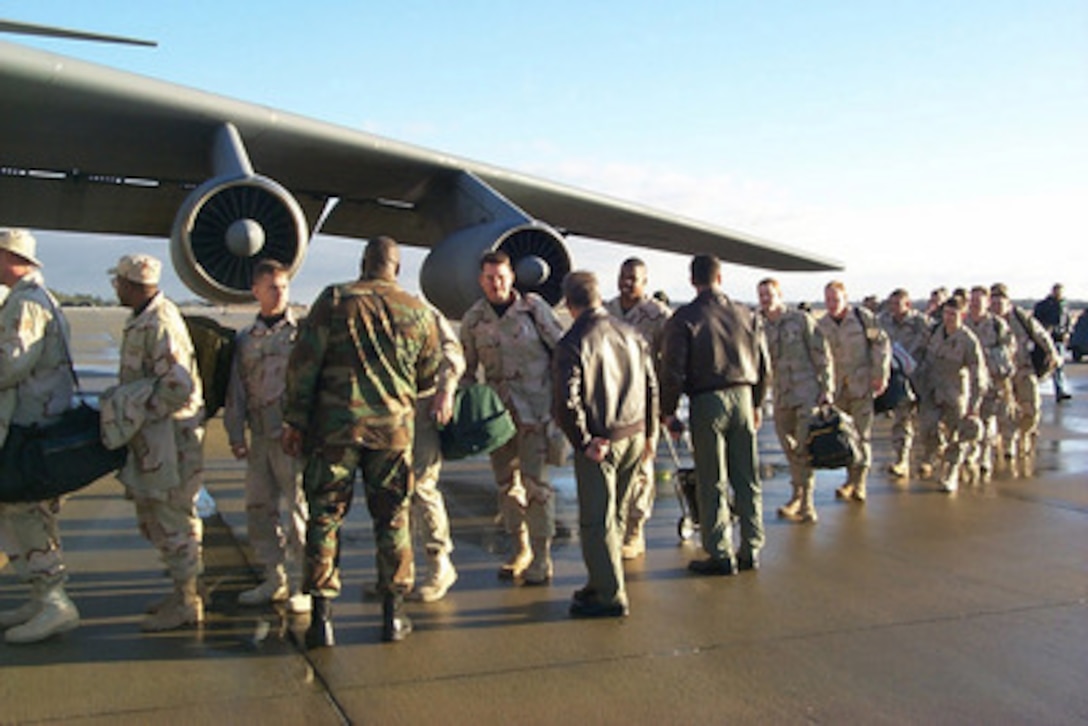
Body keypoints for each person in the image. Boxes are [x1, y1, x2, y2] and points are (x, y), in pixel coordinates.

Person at [282, 236, 440, 646]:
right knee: (392, 519)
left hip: (335, 431)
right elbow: (427, 376)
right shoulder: (419, 311)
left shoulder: (334, 299)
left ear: (363, 263)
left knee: (325, 517)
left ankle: (322, 619)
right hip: (392, 433)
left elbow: (303, 366)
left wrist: (294, 420)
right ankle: (393, 615)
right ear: (397, 269)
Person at [103, 253, 205, 631]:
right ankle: (185, 590)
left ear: (131, 284)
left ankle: (187, 601)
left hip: (170, 445)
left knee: (172, 519)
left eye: (119, 282)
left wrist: (134, 410)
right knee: (158, 520)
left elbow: (179, 387)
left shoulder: (160, 323)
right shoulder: (143, 319)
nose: (116, 287)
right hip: (156, 442)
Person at [553, 271, 657, 617]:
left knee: (597, 520)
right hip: (634, 434)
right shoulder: (630, 333)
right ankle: (601, 580)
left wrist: (583, 442)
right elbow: (650, 385)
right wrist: (649, 433)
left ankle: (609, 594)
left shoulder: (573, 341)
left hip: (602, 441)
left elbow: (566, 402)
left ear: (569, 303)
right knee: (615, 515)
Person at [459, 250, 565, 584]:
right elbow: (466, 369)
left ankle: (542, 556)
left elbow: (562, 351)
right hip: (498, 418)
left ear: (512, 277)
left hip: (536, 413)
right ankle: (520, 548)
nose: (496, 284)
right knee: (507, 486)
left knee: (536, 486)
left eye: (501, 277)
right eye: (490, 278)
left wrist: (562, 406)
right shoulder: (474, 319)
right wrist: (466, 409)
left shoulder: (533, 310)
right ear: (481, 281)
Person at [660, 255, 769, 575]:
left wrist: (668, 411)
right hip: (744, 395)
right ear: (720, 278)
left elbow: (673, 370)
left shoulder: (684, 318)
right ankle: (752, 546)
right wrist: (758, 403)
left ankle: (720, 552)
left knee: (712, 479)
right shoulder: (747, 313)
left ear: (693, 281)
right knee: (747, 476)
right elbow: (764, 365)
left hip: (707, 399)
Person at [0, 229, 80, 644]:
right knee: (21, 510)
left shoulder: (26, 304)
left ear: (13, 258)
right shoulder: (34, 298)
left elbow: (10, 364)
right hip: (36, 420)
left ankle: (53, 601)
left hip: (28, 424)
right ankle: (40, 595)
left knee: (24, 510)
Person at [223, 260, 309, 612]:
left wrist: (305, 427)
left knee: (299, 512)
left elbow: (309, 385)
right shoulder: (246, 339)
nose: (279, 293)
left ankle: (305, 583)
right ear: (256, 290)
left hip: (292, 438)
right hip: (259, 436)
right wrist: (234, 433)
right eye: (272, 287)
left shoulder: (300, 334)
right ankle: (274, 577)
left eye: (284, 287)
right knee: (259, 509)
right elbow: (236, 390)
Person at [604, 257, 671, 558]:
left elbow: (671, 361)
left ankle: (635, 531)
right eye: (623, 276)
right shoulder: (605, 312)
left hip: (644, 406)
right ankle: (615, 527)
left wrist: (668, 408)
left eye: (633, 278)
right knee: (611, 470)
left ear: (645, 282)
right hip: (609, 405)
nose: (626, 282)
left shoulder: (658, 316)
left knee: (641, 471)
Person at [757, 278, 833, 524]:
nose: (765, 299)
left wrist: (826, 388)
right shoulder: (757, 325)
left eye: (769, 294)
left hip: (806, 393)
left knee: (803, 447)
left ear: (779, 295)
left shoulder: (800, 320)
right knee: (789, 448)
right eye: (761, 295)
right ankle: (797, 494)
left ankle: (806, 503)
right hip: (780, 395)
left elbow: (821, 353)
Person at [408, 305, 463, 602]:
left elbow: (452, 352)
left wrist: (446, 390)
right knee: (392, 493)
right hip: (385, 413)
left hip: (420, 407)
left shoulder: (421, 311)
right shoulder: (366, 309)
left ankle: (439, 563)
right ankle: (400, 571)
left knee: (421, 487)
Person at [817, 281, 891, 502]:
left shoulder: (863, 318)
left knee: (862, 437)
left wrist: (880, 374)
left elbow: (881, 344)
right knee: (845, 437)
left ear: (845, 299)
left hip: (862, 386)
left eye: (836, 299)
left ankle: (859, 484)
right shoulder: (822, 325)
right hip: (838, 390)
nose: (832, 304)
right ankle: (850, 479)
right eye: (828, 300)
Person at [917, 298, 986, 492]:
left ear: (962, 316)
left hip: (955, 393)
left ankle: (951, 472)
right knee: (926, 428)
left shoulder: (968, 340)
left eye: (953, 314)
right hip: (932, 391)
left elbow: (977, 375)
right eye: (946, 313)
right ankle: (937, 453)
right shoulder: (934, 333)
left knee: (957, 436)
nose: (948, 318)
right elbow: (921, 358)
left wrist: (974, 404)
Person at [990, 283, 1057, 476]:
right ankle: (1009, 445)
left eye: (1000, 301)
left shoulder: (1020, 319)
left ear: (1007, 302)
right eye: (993, 301)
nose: (996, 305)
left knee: (1032, 410)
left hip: (1024, 370)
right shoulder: (988, 323)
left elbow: (1041, 335)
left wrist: (1051, 354)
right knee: (1006, 412)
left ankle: (1025, 433)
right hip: (1001, 375)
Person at [964, 286, 1016, 482]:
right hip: (968, 381)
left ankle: (985, 455)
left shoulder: (997, 325)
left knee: (987, 418)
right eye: (973, 301)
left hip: (992, 379)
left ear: (987, 303)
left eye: (979, 301)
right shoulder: (965, 323)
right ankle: (971, 451)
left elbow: (1009, 350)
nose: (975, 304)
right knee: (969, 417)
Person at [877, 288, 930, 479]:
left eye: (897, 304)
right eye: (891, 304)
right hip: (899, 379)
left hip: (921, 377)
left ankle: (929, 456)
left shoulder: (921, 323)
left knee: (929, 422)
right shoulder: (883, 321)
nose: (893, 308)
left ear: (908, 304)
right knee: (902, 419)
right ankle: (902, 460)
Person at [1033, 283, 1073, 402]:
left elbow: (1067, 321)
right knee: (1041, 367)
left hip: (1059, 339)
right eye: (1057, 291)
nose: (1058, 294)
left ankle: (1060, 391)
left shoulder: (1064, 305)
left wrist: (1067, 332)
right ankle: (1034, 390)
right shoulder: (1044, 305)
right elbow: (1036, 322)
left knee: (1058, 366)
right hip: (1045, 341)